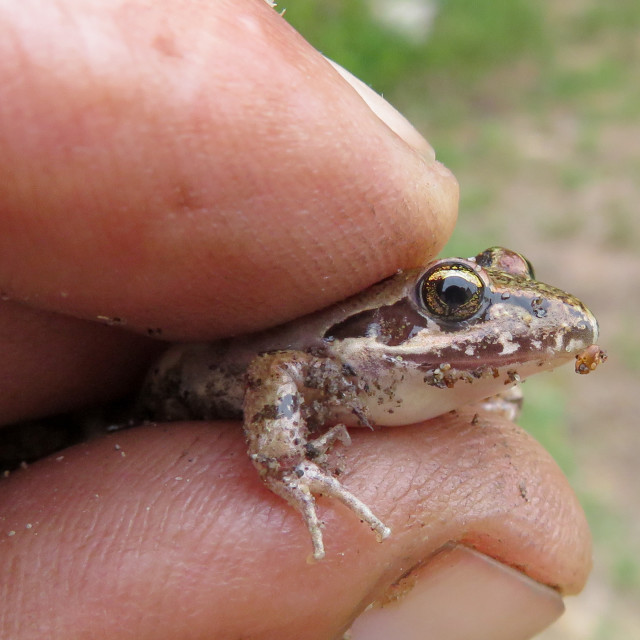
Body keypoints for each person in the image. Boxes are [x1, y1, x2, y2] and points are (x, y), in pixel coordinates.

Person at [0, 1, 590, 638]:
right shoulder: (340, 370)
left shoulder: (453, 369)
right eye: (453, 298)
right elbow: (278, 368)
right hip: (156, 403)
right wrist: (290, 466)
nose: (503, 316)